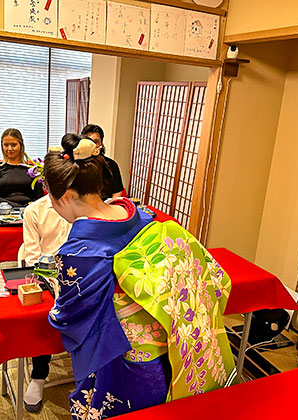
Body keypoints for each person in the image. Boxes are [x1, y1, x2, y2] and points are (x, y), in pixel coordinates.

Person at [44, 134, 237, 418]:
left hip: (127, 362)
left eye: (51, 198)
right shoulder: (142, 215)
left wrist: (55, 299)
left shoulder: (81, 252)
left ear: (67, 197)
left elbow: (70, 315)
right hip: (173, 348)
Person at [17, 193, 71, 413]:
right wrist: (54, 279)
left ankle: (90, 371)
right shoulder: (35, 210)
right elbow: (31, 256)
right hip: (45, 272)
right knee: (44, 314)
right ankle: (39, 375)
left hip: (78, 270)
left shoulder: (83, 204)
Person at [0, 128, 44, 209]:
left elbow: (39, 197)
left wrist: (27, 209)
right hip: (4, 211)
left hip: (29, 212)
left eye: (13, 145)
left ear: (21, 145)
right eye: (6, 145)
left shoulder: (32, 170)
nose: (9, 149)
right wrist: (17, 207)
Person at [81, 124, 124, 200]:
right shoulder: (76, 164)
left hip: (105, 206)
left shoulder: (111, 165)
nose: (93, 145)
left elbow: (117, 193)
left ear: (101, 143)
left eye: (96, 141)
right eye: (89, 141)